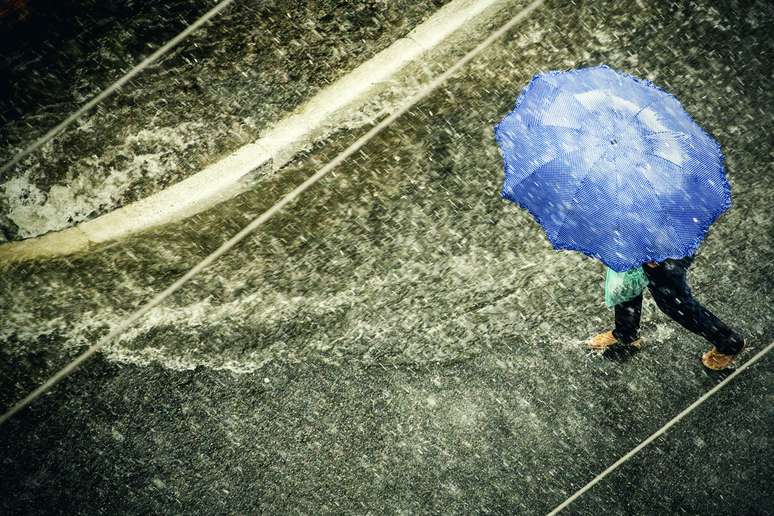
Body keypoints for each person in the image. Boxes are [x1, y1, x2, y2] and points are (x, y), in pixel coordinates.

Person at [587, 255, 745, 370]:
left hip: (663, 240)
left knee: (673, 301)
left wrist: (656, 247)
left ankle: (728, 343)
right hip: (637, 235)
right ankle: (626, 332)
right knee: (627, 274)